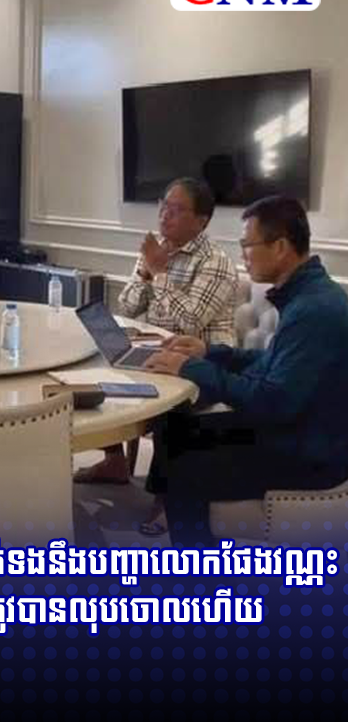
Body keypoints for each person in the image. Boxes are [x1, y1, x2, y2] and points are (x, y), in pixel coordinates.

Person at [143, 196, 348, 547]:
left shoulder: (314, 310)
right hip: (298, 430)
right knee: (174, 426)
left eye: (247, 245)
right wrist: (208, 352)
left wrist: (191, 368)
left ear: (280, 247)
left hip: (310, 454)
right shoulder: (309, 295)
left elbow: (271, 402)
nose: (243, 255)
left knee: (183, 466)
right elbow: (270, 362)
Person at [74, 177, 238, 502]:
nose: (165, 215)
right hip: (154, 352)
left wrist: (159, 273)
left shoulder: (216, 262)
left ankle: (167, 496)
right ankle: (114, 460)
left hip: (202, 364)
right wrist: (147, 272)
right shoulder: (155, 250)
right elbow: (128, 306)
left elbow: (190, 322)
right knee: (96, 374)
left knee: (169, 407)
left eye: (177, 210)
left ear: (201, 221)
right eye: (164, 205)